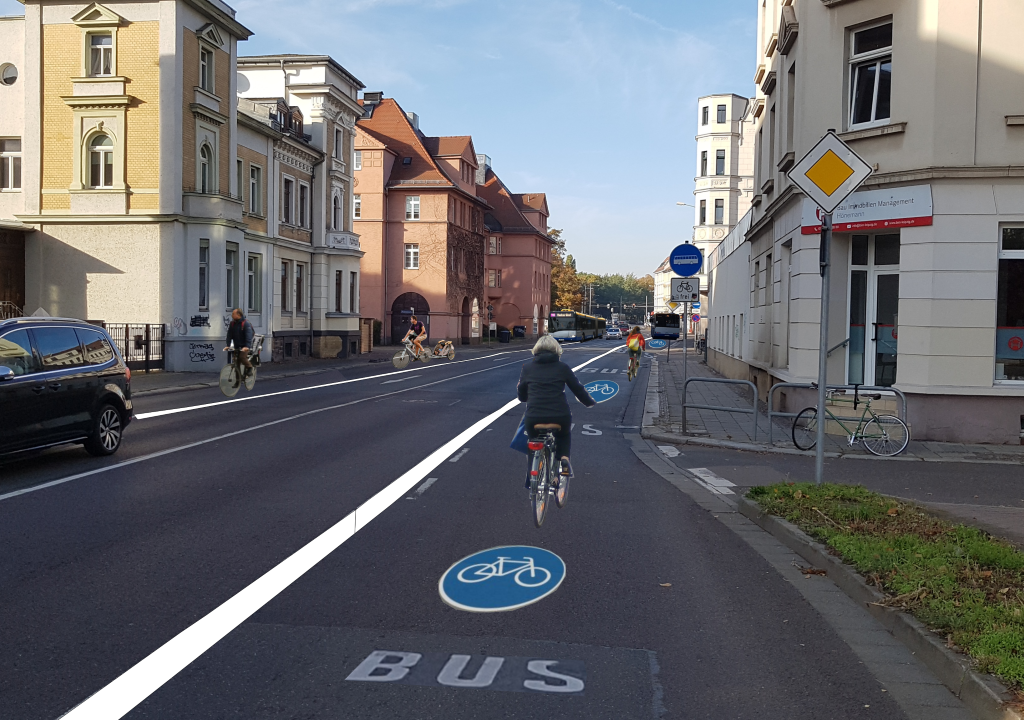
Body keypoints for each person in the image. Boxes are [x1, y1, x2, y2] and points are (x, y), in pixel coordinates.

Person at [517, 334, 596, 483]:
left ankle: (531, 475)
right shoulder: (563, 367)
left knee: (532, 441)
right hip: (560, 415)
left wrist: (525, 398)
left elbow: (522, 392)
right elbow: (577, 389)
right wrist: (589, 402)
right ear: (556, 350)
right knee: (564, 435)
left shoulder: (527, 368)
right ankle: (564, 459)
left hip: (534, 416)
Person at [224, 308, 255, 377]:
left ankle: (250, 367)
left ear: (238, 315)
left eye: (233, 314)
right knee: (236, 362)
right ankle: (238, 380)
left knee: (242, 357)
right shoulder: (232, 324)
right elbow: (229, 335)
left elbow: (248, 336)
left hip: (245, 345)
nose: (232, 315)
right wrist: (228, 345)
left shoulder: (246, 324)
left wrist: (246, 346)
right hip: (237, 345)